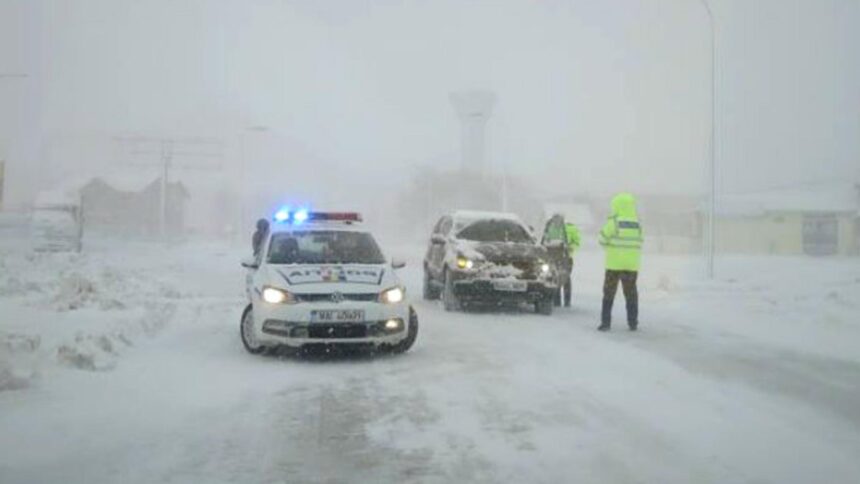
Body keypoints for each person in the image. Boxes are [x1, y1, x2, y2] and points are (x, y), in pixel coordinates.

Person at [598, 193, 644, 331]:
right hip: (631, 266)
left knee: (609, 293)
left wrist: (611, 248)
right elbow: (640, 242)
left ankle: (606, 323)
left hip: (613, 265)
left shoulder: (614, 222)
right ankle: (633, 322)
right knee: (631, 294)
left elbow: (601, 239)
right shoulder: (637, 224)